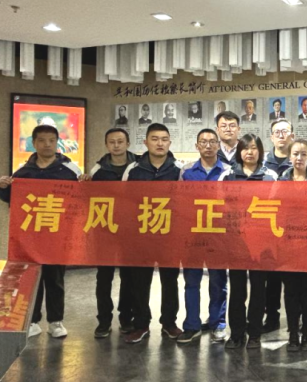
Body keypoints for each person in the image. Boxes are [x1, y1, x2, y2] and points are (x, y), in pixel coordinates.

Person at [0, 125, 82, 339]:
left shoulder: (70, 170)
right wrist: (3, 187)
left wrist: (86, 183)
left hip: (57, 235)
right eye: (42, 140)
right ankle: (32, 320)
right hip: (30, 238)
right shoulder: (23, 172)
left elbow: (83, 198)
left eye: (51, 140)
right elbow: (11, 199)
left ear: (57, 142)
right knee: (32, 278)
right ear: (34, 143)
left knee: (55, 279)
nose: (47, 145)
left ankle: (56, 321)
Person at [121, 123, 185, 344]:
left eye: (164, 139)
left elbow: (185, 202)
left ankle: (169, 323)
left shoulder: (179, 169)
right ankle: (141, 324)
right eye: (155, 139)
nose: (160, 143)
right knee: (140, 282)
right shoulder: (133, 169)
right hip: (141, 235)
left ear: (170, 142)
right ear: (145, 142)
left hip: (169, 235)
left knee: (170, 281)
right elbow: (122, 200)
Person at [219, 134, 279, 350]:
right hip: (236, 242)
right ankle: (236, 334)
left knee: (258, 289)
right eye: (245, 148)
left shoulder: (270, 176)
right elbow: (219, 207)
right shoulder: (228, 176)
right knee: (237, 289)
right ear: (239, 151)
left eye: (254, 148)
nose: (250, 152)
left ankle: (254, 333)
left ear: (260, 151)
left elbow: (277, 208)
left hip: (261, 243)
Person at [81, 128, 137, 338]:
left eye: (120, 141)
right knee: (104, 278)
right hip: (105, 231)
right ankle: (104, 320)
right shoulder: (98, 170)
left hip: (131, 230)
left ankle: (126, 318)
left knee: (128, 277)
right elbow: (88, 199)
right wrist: (84, 185)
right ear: (106, 145)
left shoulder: (138, 166)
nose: (116, 145)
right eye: (112, 142)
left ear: (128, 143)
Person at [176, 129, 230, 344]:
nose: (208, 146)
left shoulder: (227, 171)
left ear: (218, 145)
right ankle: (191, 325)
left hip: (219, 236)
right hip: (193, 236)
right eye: (203, 142)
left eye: (212, 142)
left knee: (218, 281)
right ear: (196, 146)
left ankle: (218, 323)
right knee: (191, 282)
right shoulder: (186, 171)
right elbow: (179, 202)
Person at [278, 139, 307, 351]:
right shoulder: (281, 181)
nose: (299, 158)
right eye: (295, 154)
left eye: (303, 154)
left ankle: (306, 333)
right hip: (287, 245)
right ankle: (292, 335)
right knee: (290, 291)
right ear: (290, 157)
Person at [262, 119, 296, 334]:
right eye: (277, 132)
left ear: (292, 135)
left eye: (285, 131)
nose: (281, 135)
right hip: (268, 229)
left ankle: (296, 319)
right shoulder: (263, 163)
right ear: (271, 137)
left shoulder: (301, 161)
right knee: (271, 279)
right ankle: (272, 317)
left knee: (294, 279)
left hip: (294, 230)